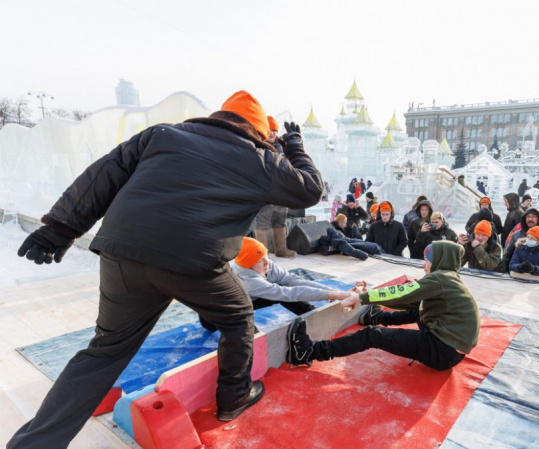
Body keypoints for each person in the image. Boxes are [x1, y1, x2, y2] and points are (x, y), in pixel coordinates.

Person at [11, 90, 323, 447]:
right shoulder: (260, 160)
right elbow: (310, 189)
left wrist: (61, 228)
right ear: (255, 130)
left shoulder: (162, 134)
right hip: (194, 263)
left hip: (124, 254)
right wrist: (295, 145)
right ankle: (234, 395)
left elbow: (102, 175)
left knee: (104, 353)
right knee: (237, 314)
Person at [286, 241, 480, 371]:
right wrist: (373, 300)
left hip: (442, 350)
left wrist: (360, 297)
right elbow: (412, 301)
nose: (423, 265)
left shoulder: (440, 279)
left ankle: (309, 352)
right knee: (419, 308)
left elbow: (402, 293)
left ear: (439, 260)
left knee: (372, 335)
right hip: (451, 351)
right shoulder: (450, 278)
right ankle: (377, 316)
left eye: (427, 260)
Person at [229, 237, 353, 318]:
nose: (267, 262)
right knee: (243, 316)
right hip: (227, 309)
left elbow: (293, 281)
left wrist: (334, 292)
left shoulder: (267, 264)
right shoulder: (248, 281)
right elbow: (288, 293)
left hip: (254, 297)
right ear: (249, 265)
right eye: (260, 260)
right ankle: (254, 337)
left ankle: (311, 315)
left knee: (285, 285)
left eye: (266, 256)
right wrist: (330, 295)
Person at [253, 115, 295, 258]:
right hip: (264, 191)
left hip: (280, 190)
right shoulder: (258, 144)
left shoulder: (282, 147)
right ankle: (262, 253)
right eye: (270, 129)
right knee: (263, 221)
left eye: (275, 130)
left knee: (280, 219)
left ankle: (281, 249)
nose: (272, 133)